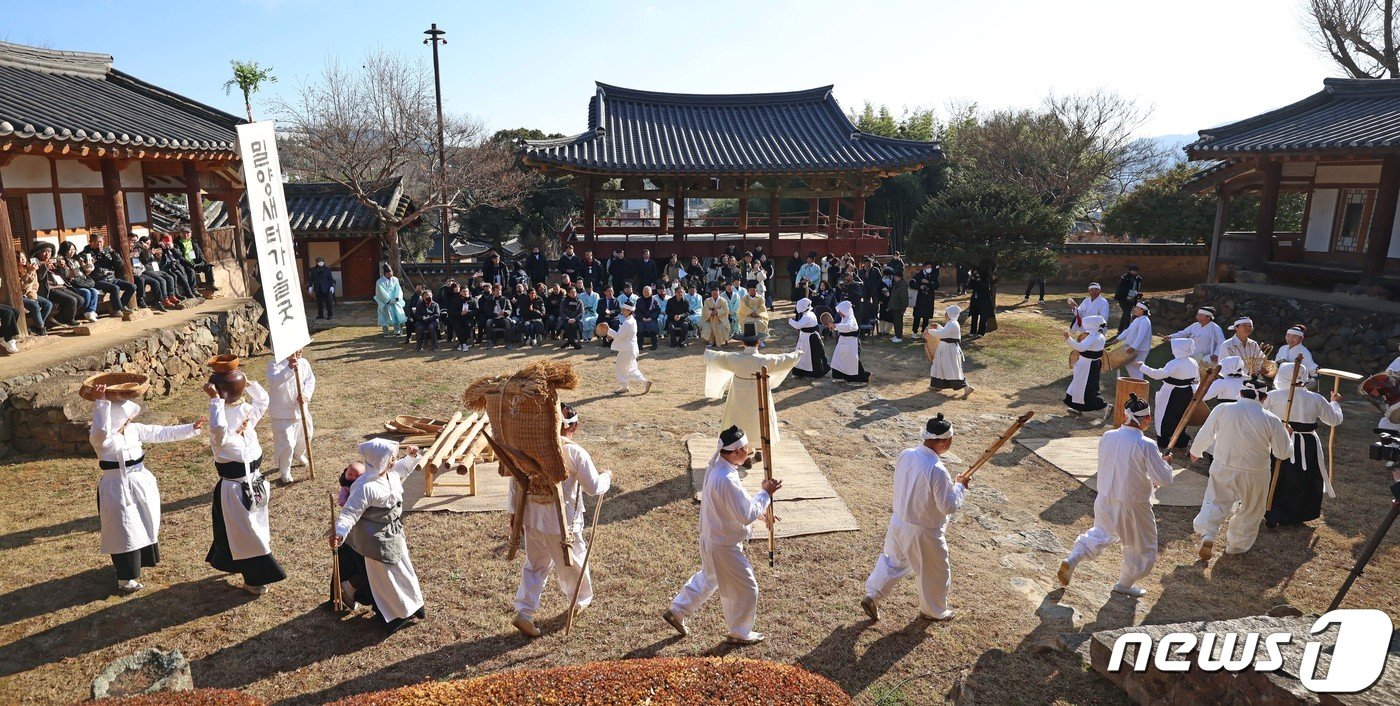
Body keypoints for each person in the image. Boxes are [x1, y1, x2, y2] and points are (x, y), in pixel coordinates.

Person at [664, 425, 782, 644]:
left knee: (710, 578)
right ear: (736, 452)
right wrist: (765, 493)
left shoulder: (718, 467)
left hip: (712, 537)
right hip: (723, 545)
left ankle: (678, 611)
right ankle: (739, 632)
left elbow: (732, 506)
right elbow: (745, 513)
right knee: (747, 588)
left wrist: (762, 515)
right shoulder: (725, 477)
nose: (749, 452)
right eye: (747, 449)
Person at [508, 403, 613, 637]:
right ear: (574, 425)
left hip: (532, 519)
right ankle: (580, 601)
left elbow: (515, 483)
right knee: (574, 563)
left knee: (535, 565)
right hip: (562, 524)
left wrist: (515, 515)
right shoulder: (574, 452)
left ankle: (524, 611)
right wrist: (606, 476)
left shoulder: (528, 449)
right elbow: (594, 487)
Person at [90, 384, 204, 593]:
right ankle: (125, 578)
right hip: (117, 489)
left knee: (143, 522)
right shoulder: (103, 439)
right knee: (123, 530)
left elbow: (159, 433)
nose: (128, 421)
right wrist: (101, 402)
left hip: (140, 483)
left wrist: (190, 428)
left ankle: (140, 562)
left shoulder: (133, 430)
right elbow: (100, 430)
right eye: (124, 418)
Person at [1056, 394, 1173, 597]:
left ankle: (1073, 559)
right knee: (1142, 546)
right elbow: (1164, 479)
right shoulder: (1146, 444)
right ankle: (1125, 584)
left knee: (1101, 532)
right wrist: (1165, 464)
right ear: (1147, 419)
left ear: (1125, 415)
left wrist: (1154, 469)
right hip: (1133, 504)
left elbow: (1124, 466)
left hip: (1105, 497)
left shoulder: (1108, 437)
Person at [860, 414, 969, 622]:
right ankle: (934, 611)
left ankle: (873, 595)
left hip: (899, 522)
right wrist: (960, 487)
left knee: (893, 561)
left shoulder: (907, 454)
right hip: (923, 530)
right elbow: (947, 506)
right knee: (934, 572)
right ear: (946, 441)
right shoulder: (937, 469)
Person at [1189, 376, 1292, 560]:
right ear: (1264, 398)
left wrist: (1196, 451)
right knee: (1251, 509)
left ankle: (1208, 534)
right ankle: (1237, 545)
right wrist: (1288, 436)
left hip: (1224, 465)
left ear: (1240, 393)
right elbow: (1282, 453)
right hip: (1256, 473)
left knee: (1215, 500)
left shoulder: (1223, 409)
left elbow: (1206, 434)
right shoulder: (1272, 420)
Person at [332, 439, 427, 633]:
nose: (394, 460)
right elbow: (349, 512)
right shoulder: (364, 486)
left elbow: (402, 468)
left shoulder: (389, 474)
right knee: (386, 578)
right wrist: (339, 533)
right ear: (379, 460)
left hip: (393, 532)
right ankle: (395, 613)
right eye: (390, 458)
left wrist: (410, 457)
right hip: (375, 540)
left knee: (403, 569)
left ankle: (412, 604)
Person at [205, 373, 286, 594]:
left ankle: (232, 562)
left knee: (256, 530)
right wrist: (216, 400)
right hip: (234, 491)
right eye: (243, 416)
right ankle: (255, 578)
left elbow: (262, 401)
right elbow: (219, 428)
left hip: (256, 485)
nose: (248, 418)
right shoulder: (221, 440)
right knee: (249, 535)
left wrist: (247, 383)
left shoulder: (248, 427)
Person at [1263, 363, 1343, 527]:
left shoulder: (1273, 395)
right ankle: (1291, 513)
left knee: (1280, 474)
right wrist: (1334, 403)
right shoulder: (1315, 398)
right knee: (1298, 476)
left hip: (1282, 441)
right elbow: (1333, 419)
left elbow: (1259, 413)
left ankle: (1274, 512)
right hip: (1300, 442)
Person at [703, 323, 802, 454]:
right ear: (758, 342)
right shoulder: (764, 360)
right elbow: (782, 359)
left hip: (739, 395)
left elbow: (719, 357)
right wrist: (798, 354)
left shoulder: (735, 359)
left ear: (743, 343)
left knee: (740, 419)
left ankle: (746, 449)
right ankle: (759, 447)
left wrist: (708, 353)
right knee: (759, 418)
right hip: (759, 394)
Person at [1140, 338, 1198, 451]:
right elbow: (1196, 379)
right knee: (1180, 416)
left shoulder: (1175, 363)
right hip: (1186, 392)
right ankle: (1180, 440)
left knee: (1166, 416)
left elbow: (1158, 374)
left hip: (1172, 393)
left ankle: (1165, 440)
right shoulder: (1193, 362)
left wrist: (1143, 367)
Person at [267, 350, 315, 485]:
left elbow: (310, 380)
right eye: (296, 349)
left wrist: (306, 395)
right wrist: (289, 367)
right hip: (282, 414)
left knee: (306, 435)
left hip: (301, 410)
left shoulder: (304, 363)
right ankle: (285, 470)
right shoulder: (274, 364)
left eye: (301, 348)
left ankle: (299, 453)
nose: (300, 351)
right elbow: (274, 382)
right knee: (286, 444)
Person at [82, 233, 138, 314]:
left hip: (111, 278)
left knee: (132, 286)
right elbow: (86, 269)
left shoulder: (107, 252)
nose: (99, 244)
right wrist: (94, 259)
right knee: (115, 288)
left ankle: (122, 304)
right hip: (97, 280)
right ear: (90, 242)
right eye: (96, 242)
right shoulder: (85, 254)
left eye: (101, 242)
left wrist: (112, 252)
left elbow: (119, 264)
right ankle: (116, 310)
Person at [31, 243, 85, 325]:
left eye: (49, 251)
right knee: (72, 300)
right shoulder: (35, 263)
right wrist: (45, 267)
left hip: (61, 286)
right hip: (49, 289)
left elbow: (66, 275)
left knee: (81, 299)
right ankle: (70, 320)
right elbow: (39, 278)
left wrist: (62, 267)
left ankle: (59, 319)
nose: (47, 254)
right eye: (44, 252)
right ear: (38, 253)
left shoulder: (54, 261)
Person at [1064, 315, 1109, 415]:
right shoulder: (1099, 335)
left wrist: (1068, 339)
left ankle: (1105, 406)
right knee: (1078, 386)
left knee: (1087, 388)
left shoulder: (1093, 337)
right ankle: (1077, 408)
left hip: (1087, 365)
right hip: (1090, 364)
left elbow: (1081, 348)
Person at [926, 305, 971, 398]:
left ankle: (967, 387)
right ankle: (936, 386)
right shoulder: (950, 323)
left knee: (951, 369)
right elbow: (944, 331)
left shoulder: (954, 324)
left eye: (946, 313)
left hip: (950, 350)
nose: (945, 314)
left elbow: (942, 334)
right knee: (938, 366)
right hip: (944, 348)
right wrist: (937, 327)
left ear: (951, 314)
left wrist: (929, 331)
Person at [607, 300, 650, 395]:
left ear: (628, 310)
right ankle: (640, 383)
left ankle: (626, 386)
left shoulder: (628, 323)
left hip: (627, 349)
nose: (622, 311)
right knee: (631, 368)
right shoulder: (631, 320)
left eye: (624, 309)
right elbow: (622, 335)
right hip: (631, 348)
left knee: (622, 368)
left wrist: (608, 330)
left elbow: (619, 336)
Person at [55, 241, 100, 321]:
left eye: (73, 249)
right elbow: (68, 275)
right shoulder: (61, 260)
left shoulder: (77, 259)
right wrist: (82, 268)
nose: (72, 252)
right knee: (86, 292)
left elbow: (86, 272)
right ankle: (83, 312)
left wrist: (90, 265)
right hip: (71, 285)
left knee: (94, 291)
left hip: (81, 282)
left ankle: (90, 311)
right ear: (64, 250)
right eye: (70, 250)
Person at [829, 300, 870, 384]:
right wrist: (834, 327)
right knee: (838, 359)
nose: (839, 313)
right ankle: (839, 376)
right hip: (842, 341)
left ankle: (859, 378)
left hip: (851, 342)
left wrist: (836, 326)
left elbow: (848, 327)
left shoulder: (851, 318)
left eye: (840, 311)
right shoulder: (844, 318)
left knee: (852, 360)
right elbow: (842, 327)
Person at [788, 298, 830, 379]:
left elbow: (798, 325)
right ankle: (804, 371)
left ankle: (809, 372)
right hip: (809, 336)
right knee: (808, 355)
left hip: (808, 338)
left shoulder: (807, 316)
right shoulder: (810, 313)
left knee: (807, 355)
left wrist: (790, 320)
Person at [1116, 301, 1153, 380]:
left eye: (1137, 308)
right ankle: (1136, 384)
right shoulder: (1137, 320)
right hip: (1135, 348)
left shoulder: (1144, 321)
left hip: (1140, 349)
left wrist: (1133, 347)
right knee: (1131, 366)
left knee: (1136, 367)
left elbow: (1141, 336)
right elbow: (1128, 331)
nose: (1135, 309)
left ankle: (1139, 385)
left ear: (1142, 310)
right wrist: (1117, 339)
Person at [18, 252, 52, 334]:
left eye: (24, 257)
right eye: (20, 258)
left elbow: (35, 286)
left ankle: (36, 326)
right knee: (34, 305)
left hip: (29, 294)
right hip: (19, 295)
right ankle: (41, 329)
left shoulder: (29, 268)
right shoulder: (14, 271)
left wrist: (32, 297)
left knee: (48, 304)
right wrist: (29, 273)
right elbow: (21, 286)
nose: (23, 260)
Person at [374, 266, 406, 337]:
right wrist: (388, 300)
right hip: (385, 302)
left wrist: (396, 298)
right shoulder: (379, 282)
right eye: (388, 273)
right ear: (385, 273)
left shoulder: (395, 279)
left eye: (390, 272)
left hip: (394, 301)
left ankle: (397, 331)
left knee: (396, 316)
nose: (390, 274)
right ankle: (386, 332)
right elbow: (380, 292)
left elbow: (398, 289)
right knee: (384, 316)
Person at [699, 285, 731, 349]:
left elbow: (726, 310)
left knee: (722, 326)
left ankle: (720, 341)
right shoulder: (707, 301)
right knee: (706, 326)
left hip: (720, 319)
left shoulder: (723, 301)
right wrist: (711, 313)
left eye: (716, 292)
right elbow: (704, 310)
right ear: (711, 293)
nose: (714, 294)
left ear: (719, 292)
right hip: (710, 319)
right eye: (713, 292)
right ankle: (710, 341)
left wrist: (717, 312)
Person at [1113, 265, 1143, 334]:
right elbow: (1122, 288)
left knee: (1126, 313)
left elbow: (1137, 289)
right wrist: (1130, 292)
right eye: (1133, 270)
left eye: (1136, 271)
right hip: (1122, 298)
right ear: (1130, 271)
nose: (1135, 272)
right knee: (1127, 313)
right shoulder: (1125, 278)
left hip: (1132, 299)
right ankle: (1127, 330)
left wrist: (1137, 294)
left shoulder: (1138, 279)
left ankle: (1120, 330)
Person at [910, 262, 938, 335]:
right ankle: (914, 332)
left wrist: (928, 282)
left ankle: (924, 332)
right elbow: (911, 284)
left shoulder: (933, 275)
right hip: (919, 299)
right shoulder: (918, 275)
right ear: (924, 267)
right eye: (928, 267)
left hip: (928, 299)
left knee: (926, 317)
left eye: (931, 267)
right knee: (917, 316)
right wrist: (919, 286)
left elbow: (937, 285)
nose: (929, 269)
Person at [966, 269, 994, 337]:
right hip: (975, 299)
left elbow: (985, 287)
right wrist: (972, 279)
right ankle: (973, 331)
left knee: (983, 316)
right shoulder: (974, 278)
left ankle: (981, 332)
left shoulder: (985, 277)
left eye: (976, 272)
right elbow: (969, 287)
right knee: (974, 315)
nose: (975, 273)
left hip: (984, 300)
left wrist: (978, 279)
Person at [882, 270, 909, 343]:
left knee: (898, 322)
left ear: (900, 277)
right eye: (894, 277)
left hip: (898, 307)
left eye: (896, 277)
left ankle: (899, 337)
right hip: (894, 306)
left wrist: (903, 308)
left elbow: (904, 299)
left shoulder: (902, 287)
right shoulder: (896, 285)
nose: (894, 278)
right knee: (895, 322)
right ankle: (896, 335)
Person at [634, 285, 661, 351]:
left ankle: (654, 344)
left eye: (647, 291)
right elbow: (637, 311)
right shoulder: (639, 300)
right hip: (641, 319)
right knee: (640, 328)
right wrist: (642, 318)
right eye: (644, 291)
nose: (645, 293)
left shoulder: (655, 300)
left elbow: (657, 310)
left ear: (651, 292)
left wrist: (651, 318)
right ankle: (639, 345)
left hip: (651, 318)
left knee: (652, 327)